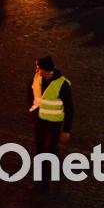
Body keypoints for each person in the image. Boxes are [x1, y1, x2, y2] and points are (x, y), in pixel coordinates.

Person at [26, 56, 73, 192]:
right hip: (40, 122)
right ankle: (44, 181)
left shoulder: (62, 84)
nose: (37, 71)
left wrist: (66, 130)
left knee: (47, 152)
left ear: (46, 70)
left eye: (39, 69)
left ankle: (44, 185)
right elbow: (31, 91)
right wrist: (33, 110)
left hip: (54, 123)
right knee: (41, 152)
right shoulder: (38, 78)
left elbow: (70, 108)